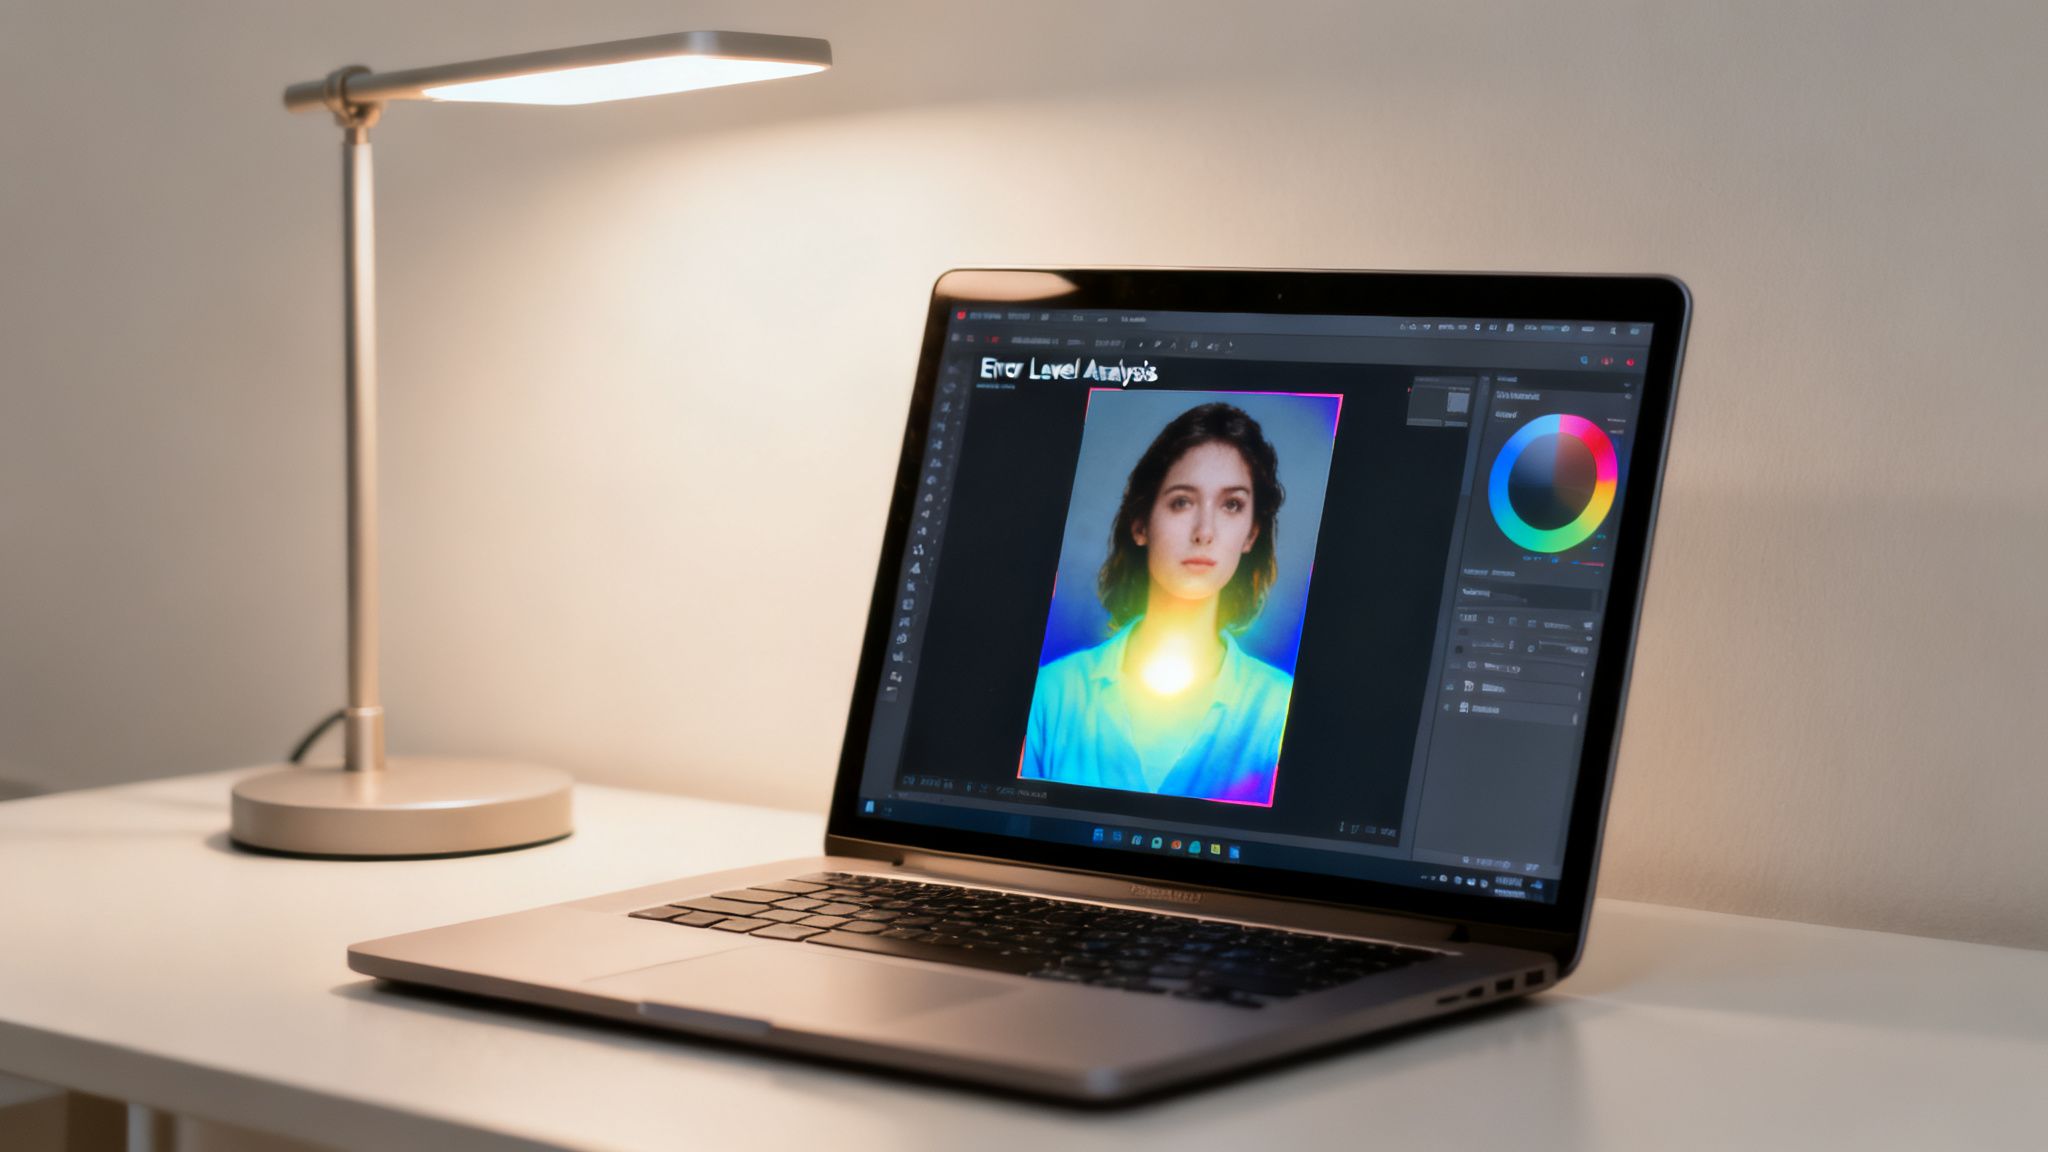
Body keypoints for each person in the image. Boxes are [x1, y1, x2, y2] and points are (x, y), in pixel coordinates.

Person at [1022, 402, 1293, 805]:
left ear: (1251, 535)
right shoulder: (1053, 693)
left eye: (1231, 505)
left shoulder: (1279, 710)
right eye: (1182, 502)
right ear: (1141, 524)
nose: (1204, 532)